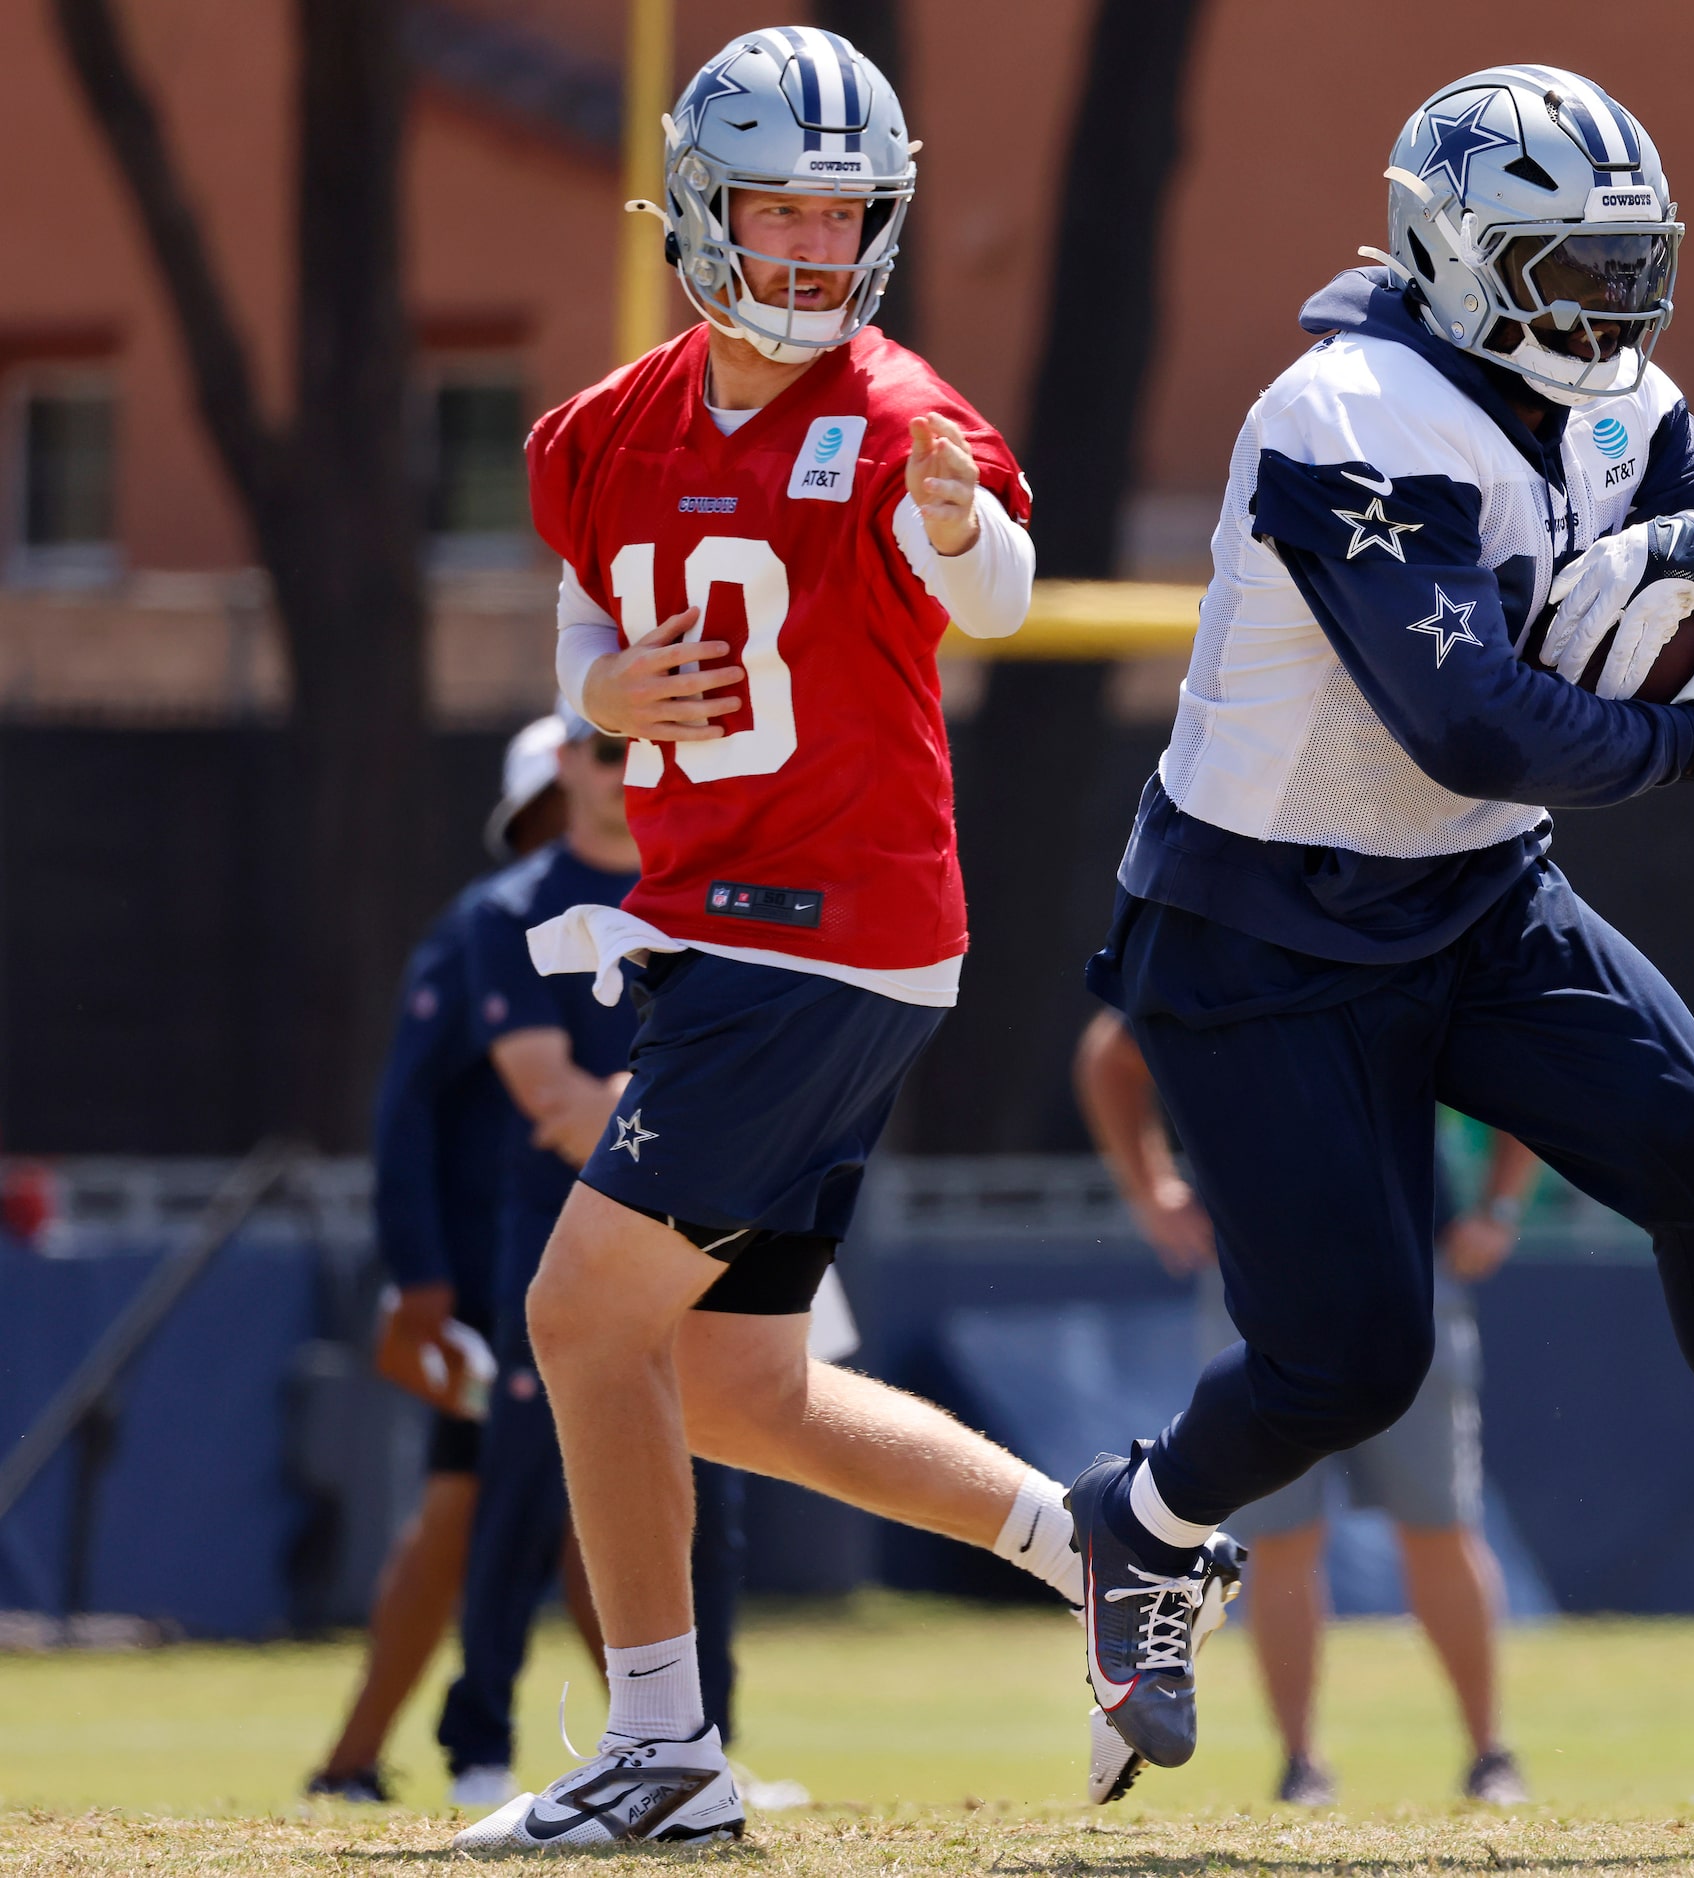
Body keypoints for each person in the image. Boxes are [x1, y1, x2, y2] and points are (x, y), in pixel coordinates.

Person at [1068, 66, 1694, 1795]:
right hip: (1262, 924)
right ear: (1451, 256)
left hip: (1476, 893)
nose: (1616, 308)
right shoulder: (1346, 414)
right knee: (1346, 1358)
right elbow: (1476, 726)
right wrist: (1684, 731)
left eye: (1629, 264)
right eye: (1569, 268)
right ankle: (1135, 1528)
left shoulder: (1613, 401)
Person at [450, 28, 1129, 1849]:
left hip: (819, 931)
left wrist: (958, 520)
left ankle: (665, 1744)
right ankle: (1103, 1547)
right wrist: (602, 684)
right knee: (735, 1388)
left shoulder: (899, 409)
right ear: (697, 208)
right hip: (722, 929)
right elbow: (583, 658)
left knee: (577, 1316)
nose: (817, 248)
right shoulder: (596, 435)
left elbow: (994, 593)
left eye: (847, 213)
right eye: (781, 207)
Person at [1075, 1011, 1537, 1807]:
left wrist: (1499, 1206)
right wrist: (1151, 1189)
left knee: (1439, 1525)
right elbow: (1111, 1052)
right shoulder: (1227, 949)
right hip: (1261, 1279)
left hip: (1406, 1273)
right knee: (1280, 1533)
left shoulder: (1402, 940)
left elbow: (1519, 1059)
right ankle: (1300, 1764)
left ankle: (1490, 1756)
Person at [434, 713, 746, 1806]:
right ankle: (478, 1742)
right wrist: (681, 1107)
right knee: (518, 1488)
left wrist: (671, 1108)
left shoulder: (700, 887)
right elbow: (550, 1100)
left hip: (693, 1235)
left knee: (707, 1484)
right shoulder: (513, 907)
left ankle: (711, 1740)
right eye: (604, 748)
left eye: (641, 748)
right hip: (559, 1237)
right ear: (565, 760)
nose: (625, 772)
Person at [306, 715, 567, 1803]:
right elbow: (406, 1110)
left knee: (531, 1506)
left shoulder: (633, 914)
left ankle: (353, 1761)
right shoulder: (483, 929)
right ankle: (679, 1745)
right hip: (491, 1286)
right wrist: (419, 1278)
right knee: (493, 1507)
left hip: (563, 1273)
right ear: (533, 815)